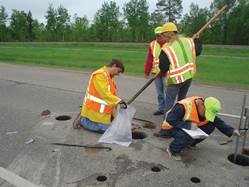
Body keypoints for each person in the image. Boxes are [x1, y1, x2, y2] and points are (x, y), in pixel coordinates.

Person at [156, 96, 240, 161]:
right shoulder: (183, 106)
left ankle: (190, 143)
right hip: (169, 128)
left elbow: (217, 121)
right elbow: (170, 120)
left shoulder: (207, 106)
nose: (206, 115)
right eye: (206, 113)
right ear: (202, 105)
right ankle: (173, 150)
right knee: (186, 134)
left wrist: (231, 131)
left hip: (185, 127)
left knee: (210, 126)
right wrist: (188, 126)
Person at [159, 22, 203, 113]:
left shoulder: (167, 47)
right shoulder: (188, 41)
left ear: (167, 34)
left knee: (169, 104)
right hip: (188, 77)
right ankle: (181, 120)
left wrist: (162, 70)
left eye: (162, 35)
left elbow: (163, 67)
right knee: (182, 101)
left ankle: (167, 125)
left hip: (176, 80)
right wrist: (197, 40)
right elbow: (197, 51)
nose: (161, 37)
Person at [73, 59, 127, 133]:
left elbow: (111, 94)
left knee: (113, 126)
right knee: (107, 130)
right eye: (118, 71)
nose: (118, 74)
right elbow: (104, 94)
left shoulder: (109, 76)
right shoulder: (100, 75)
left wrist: (116, 107)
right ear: (114, 66)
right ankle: (83, 120)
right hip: (94, 109)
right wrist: (119, 100)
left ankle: (89, 119)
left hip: (104, 110)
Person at [144, 26, 167, 115]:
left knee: (168, 93)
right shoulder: (152, 44)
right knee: (160, 93)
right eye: (157, 35)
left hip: (167, 73)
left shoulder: (169, 44)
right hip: (156, 73)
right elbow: (150, 59)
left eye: (160, 35)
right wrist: (147, 71)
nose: (158, 37)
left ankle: (168, 111)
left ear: (164, 35)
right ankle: (161, 109)